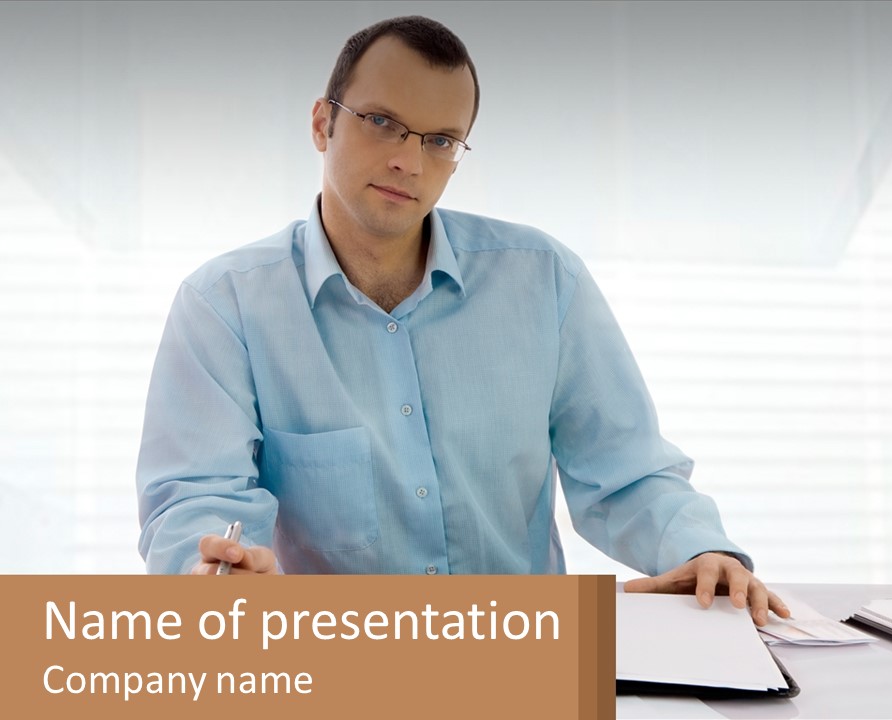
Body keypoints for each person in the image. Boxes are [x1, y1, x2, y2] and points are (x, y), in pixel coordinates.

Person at [137, 15, 790, 626]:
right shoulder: (225, 305)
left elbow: (625, 472)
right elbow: (197, 499)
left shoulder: (544, 281)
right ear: (321, 124)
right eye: (381, 122)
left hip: (523, 662)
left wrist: (706, 551)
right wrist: (212, 574)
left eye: (440, 140)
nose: (408, 161)